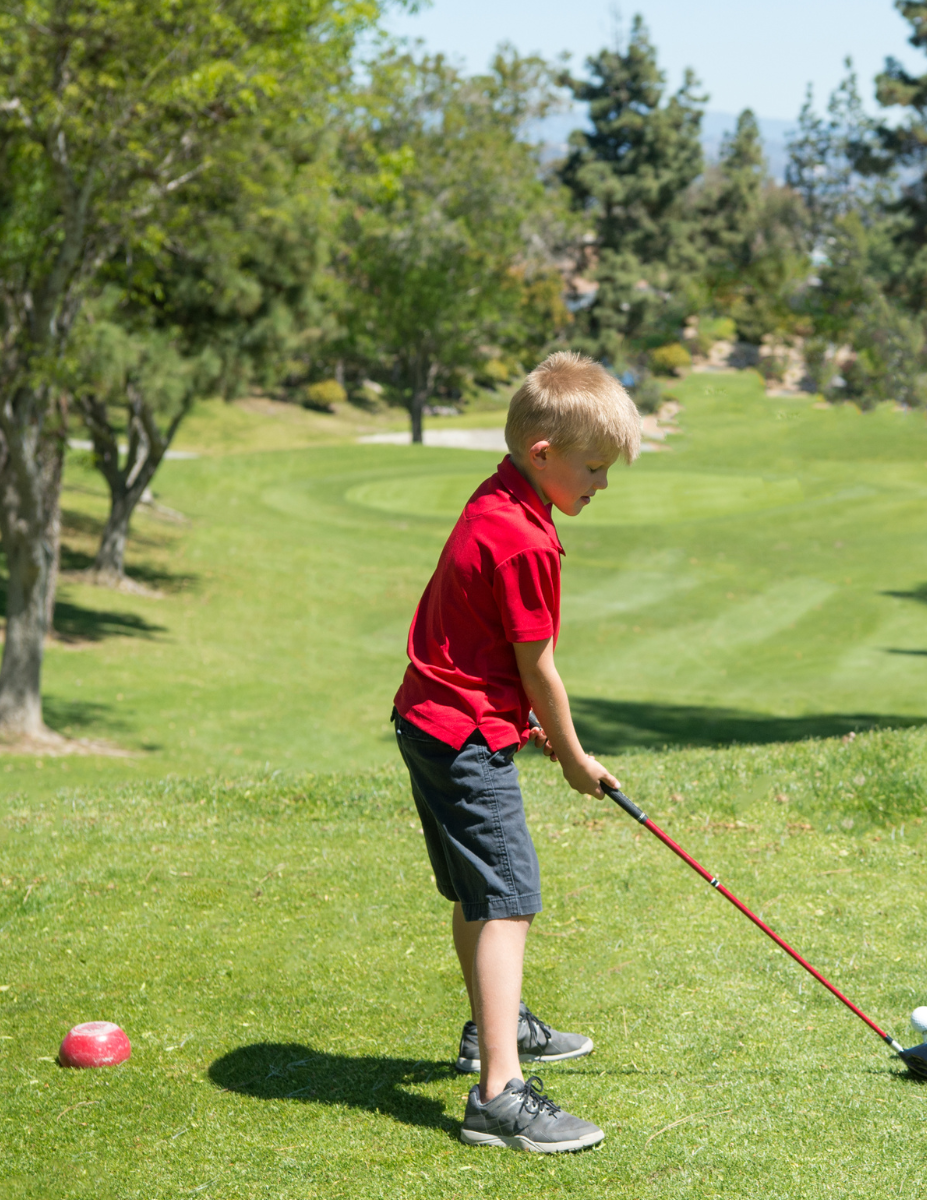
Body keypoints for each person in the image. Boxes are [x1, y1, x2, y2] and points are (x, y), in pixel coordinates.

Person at [391, 351, 640, 1153]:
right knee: (509, 899)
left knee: (477, 891)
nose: (600, 485)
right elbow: (540, 669)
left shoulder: (500, 493)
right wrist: (572, 757)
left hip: (431, 719)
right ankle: (499, 1094)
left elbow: (483, 642)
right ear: (544, 455)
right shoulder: (528, 542)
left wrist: (512, 712)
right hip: (461, 734)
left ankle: (492, 1031)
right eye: (594, 468)